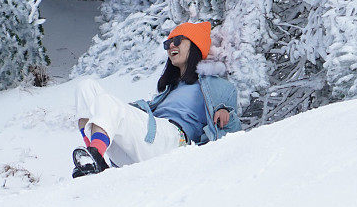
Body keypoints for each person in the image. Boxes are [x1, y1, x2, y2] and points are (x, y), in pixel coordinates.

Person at [71, 21, 241, 178]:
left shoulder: (213, 83)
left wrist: (223, 109)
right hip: (145, 147)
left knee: (106, 101)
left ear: (195, 45)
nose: (171, 46)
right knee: (86, 86)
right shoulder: (170, 89)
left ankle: (94, 156)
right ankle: (94, 159)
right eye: (167, 43)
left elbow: (228, 107)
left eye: (178, 40)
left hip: (174, 142)